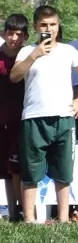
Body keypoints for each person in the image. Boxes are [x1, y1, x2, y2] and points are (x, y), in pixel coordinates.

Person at [9, 6, 78, 223]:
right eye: (44, 25)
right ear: (36, 27)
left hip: (63, 118)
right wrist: (34, 55)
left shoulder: (68, 51)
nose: (49, 29)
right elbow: (14, 76)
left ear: (58, 25)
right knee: (30, 173)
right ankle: (29, 220)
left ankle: (64, 220)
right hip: (33, 118)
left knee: (63, 173)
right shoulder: (27, 51)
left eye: (53, 24)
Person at [1, 14, 29, 220]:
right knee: (7, 170)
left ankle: (23, 208)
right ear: (4, 34)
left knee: (19, 168)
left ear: (25, 37)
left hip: (23, 119)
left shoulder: (29, 56)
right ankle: (12, 212)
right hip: (2, 120)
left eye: (18, 35)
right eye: (10, 33)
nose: (13, 39)